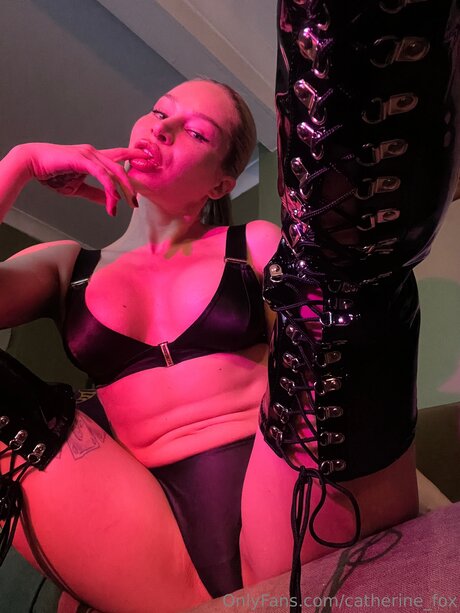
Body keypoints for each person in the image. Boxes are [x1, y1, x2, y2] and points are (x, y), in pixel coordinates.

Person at [0, 74, 453, 613]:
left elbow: (325, 352)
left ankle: (363, 115)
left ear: (220, 184)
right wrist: (21, 163)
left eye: (196, 132)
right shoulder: (65, 266)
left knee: (333, 285)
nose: (163, 128)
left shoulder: (250, 244)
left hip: (282, 495)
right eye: (159, 111)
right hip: (144, 534)